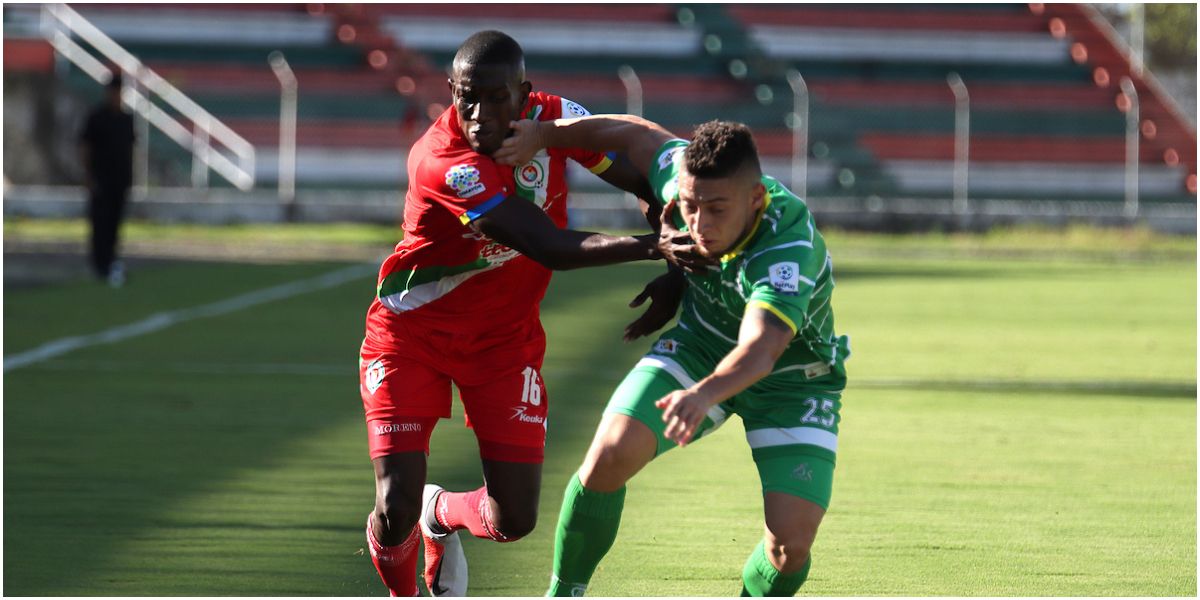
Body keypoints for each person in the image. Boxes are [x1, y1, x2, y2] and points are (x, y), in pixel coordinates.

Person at [358, 31, 701, 597]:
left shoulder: (556, 120)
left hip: (504, 341)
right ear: (450, 92)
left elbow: (640, 175)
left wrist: (675, 267)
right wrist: (656, 246)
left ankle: (439, 512)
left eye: (497, 98)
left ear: (525, 94)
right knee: (393, 503)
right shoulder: (442, 161)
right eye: (467, 97)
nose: (479, 114)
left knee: (513, 519)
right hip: (411, 333)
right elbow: (549, 246)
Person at [496, 115, 851, 597]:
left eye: (716, 209)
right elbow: (636, 137)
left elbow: (762, 348)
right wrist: (543, 135)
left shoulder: (786, 246)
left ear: (755, 200)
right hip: (699, 347)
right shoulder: (681, 172)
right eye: (690, 206)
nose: (699, 223)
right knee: (607, 456)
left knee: (790, 547)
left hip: (792, 381)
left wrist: (704, 395)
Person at [79, 71, 136, 287]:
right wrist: (88, 176)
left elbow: (130, 150)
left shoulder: (126, 119)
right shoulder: (96, 117)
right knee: (99, 223)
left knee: (114, 224)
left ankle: (111, 261)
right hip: (100, 180)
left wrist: (131, 177)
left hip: (120, 180)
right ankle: (98, 265)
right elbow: (85, 147)